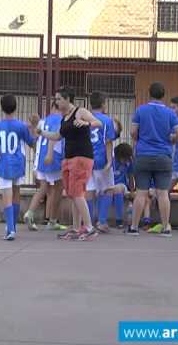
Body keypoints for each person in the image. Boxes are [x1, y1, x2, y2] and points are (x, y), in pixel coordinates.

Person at [38, 86, 102, 241]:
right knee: (73, 194)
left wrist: (86, 123)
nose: (57, 102)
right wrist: (41, 132)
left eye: (59, 99)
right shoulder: (63, 117)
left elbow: (97, 122)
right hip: (68, 158)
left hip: (81, 157)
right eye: (56, 99)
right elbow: (57, 136)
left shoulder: (79, 112)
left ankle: (89, 227)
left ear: (68, 99)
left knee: (77, 192)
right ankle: (76, 228)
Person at [128, 82, 178, 237]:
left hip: (143, 155)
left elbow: (133, 132)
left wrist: (139, 139)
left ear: (149, 93)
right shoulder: (170, 113)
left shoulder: (140, 110)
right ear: (163, 95)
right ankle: (166, 227)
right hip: (163, 156)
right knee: (163, 193)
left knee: (141, 193)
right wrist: (171, 140)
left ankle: (134, 227)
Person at [0, 94, 35, 241]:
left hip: (4, 164)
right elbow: (31, 143)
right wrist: (33, 129)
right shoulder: (21, 126)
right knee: (16, 194)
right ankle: (13, 227)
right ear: (16, 107)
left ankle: (10, 230)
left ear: (2, 108)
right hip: (18, 163)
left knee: (6, 197)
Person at [24, 101, 66, 232]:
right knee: (58, 188)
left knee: (43, 188)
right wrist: (50, 154)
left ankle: (30, 213)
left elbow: (36, 135)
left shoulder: (44, 120)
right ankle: (53, 220)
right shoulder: (60, 120)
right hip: (54, 157)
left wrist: (31, 126)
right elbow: (53, 137)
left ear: (52, 107)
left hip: (40, 159)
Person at [85, 91, 116, 233]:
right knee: (108, 189)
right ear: (103, 104)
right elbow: (108, 141)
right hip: (102, 159)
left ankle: (88, 222)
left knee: (89, 190)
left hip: (87, 158)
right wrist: (109, 161)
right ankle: (102, 222)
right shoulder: (107, 120)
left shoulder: (85, 119)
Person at [111, 143, 135, 228]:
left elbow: (131, 177)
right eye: (124, 159)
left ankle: (119, 220)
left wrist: (132, 191)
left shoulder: (129, 162)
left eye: (127, 159)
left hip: (123, 187)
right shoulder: (111, 161)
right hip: (110, 186)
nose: (126, 161)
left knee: (119, 194)